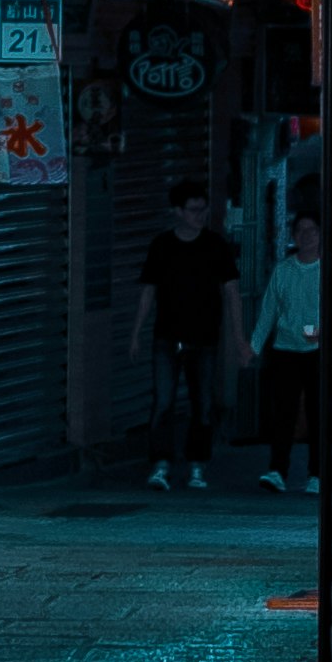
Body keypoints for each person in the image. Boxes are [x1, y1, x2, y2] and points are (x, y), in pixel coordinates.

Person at [132, 181, 244, 488]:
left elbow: (232, 291)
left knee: (202, 403)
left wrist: (238, 338)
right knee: (163, 401)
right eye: (194, 210)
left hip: (205, 338)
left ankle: (197, 465)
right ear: (177, 212)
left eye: (203, 209)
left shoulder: (216, 245)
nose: (201, 215)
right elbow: (149, 290)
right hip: (166, 336)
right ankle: (161, 464)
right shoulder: (162, 245)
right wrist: (136, 331)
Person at [254, 190, 324, 489]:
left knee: (317, 412)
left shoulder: (329, 268)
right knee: (283, 411)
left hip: (318, 348)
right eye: (301, 230)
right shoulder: (283, 270)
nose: (306, 235)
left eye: (312, 230)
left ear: (321, 234)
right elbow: (268, 309)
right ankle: (277, 471)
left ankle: (317, 473)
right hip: (285, 348)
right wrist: (254, 345)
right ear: (293, 234)